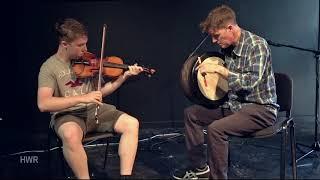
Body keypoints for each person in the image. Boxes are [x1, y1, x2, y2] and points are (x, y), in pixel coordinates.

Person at [173, 4, 279, 179]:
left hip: (261, 109)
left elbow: (249, 83)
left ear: (230, 28)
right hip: (235, 106)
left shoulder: (257, 45)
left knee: (216, 129)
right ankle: (200, 169)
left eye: (216, 35)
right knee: (191, 114)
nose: (214, 41)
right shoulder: (227, 48)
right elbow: (226, 84)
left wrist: (221, 71)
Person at [37, 18, 143, 179]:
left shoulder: (89, 61)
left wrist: (124, 77)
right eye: (80, 45)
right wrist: (82, 98)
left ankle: (126, 177)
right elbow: (44, 104)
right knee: (70, 135)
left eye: (85, 44)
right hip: (67, 115)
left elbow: (100, 92)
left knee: (132, 123)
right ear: (65, 44)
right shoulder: (49, 67)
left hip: (95, 110)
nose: (85, 49)